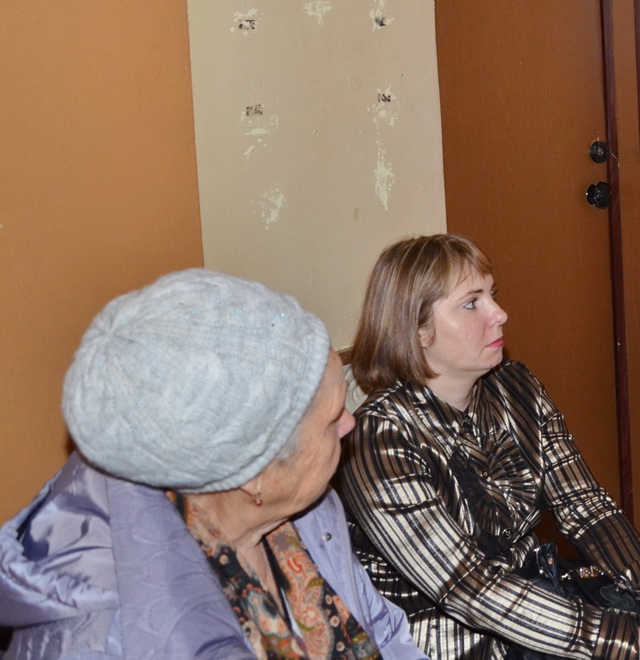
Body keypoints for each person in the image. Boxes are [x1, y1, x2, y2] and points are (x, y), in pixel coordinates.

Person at [0, 269, 425, 660]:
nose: (350, 422)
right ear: (253, 472)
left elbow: (385, 633)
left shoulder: (309, 515)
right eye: (332, 417)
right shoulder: (106, 641)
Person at [337, 234, 640, 660]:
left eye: (492, 295)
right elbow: (468, 589)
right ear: (418, 330)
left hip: (530, 597)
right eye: (471, 303)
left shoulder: (515, 386)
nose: (499, 314)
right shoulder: (379, 438)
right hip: (446, 639)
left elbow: (584, 505)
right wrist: (621, 643)